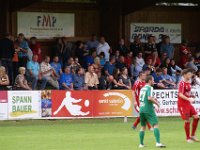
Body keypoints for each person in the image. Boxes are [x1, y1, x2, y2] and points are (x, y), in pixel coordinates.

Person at [139, 75, 166, 148]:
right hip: (148, 109)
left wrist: (153, 98)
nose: (154, 82)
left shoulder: (142, 88)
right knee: (155, 124)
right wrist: (157, 103)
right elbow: (149, 98)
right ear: (150, 81)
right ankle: (158, 143)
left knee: (143, 127)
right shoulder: (150, 88)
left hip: (141, 109)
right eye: (153, 80)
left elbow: (144, 98)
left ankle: (141, 144)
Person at [178, 68, 199, 142]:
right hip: (182, 104)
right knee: (187, 120)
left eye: (191, 74)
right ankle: (188, 138)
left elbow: (186, 93)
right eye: (189, 74)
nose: (190, 75)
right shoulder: (182, 83)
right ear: (184, 75)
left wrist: (191, 96)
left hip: (188, 103)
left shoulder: (188, 83)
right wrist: (188, 99)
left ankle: (193, 135)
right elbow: (180, 94)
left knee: (196, 117)